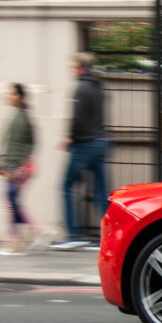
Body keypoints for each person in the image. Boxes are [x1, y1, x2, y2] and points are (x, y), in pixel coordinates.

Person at [52, 53, 110, 251]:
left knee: (66, 186)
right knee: (101, 191)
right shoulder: (99, 88)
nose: (72, 70)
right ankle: (108, 236)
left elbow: (77, 118)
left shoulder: (80, 88)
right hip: (101, 142)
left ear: (80, 67)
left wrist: (70, 138)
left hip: (84, 143)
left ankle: (74, 234)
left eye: (73, 66)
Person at [0, 83, 50, 255]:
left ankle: (28, 235)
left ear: (21, 97)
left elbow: (15, 146)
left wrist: (9, 168)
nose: (8, 96)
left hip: (18, 166)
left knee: (12, 202)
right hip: (23, 165)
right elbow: (29, 144)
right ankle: (17, 240)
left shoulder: (19, 118)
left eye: (12, 94)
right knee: (12, 202)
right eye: (9, 93)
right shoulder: (22, 116)